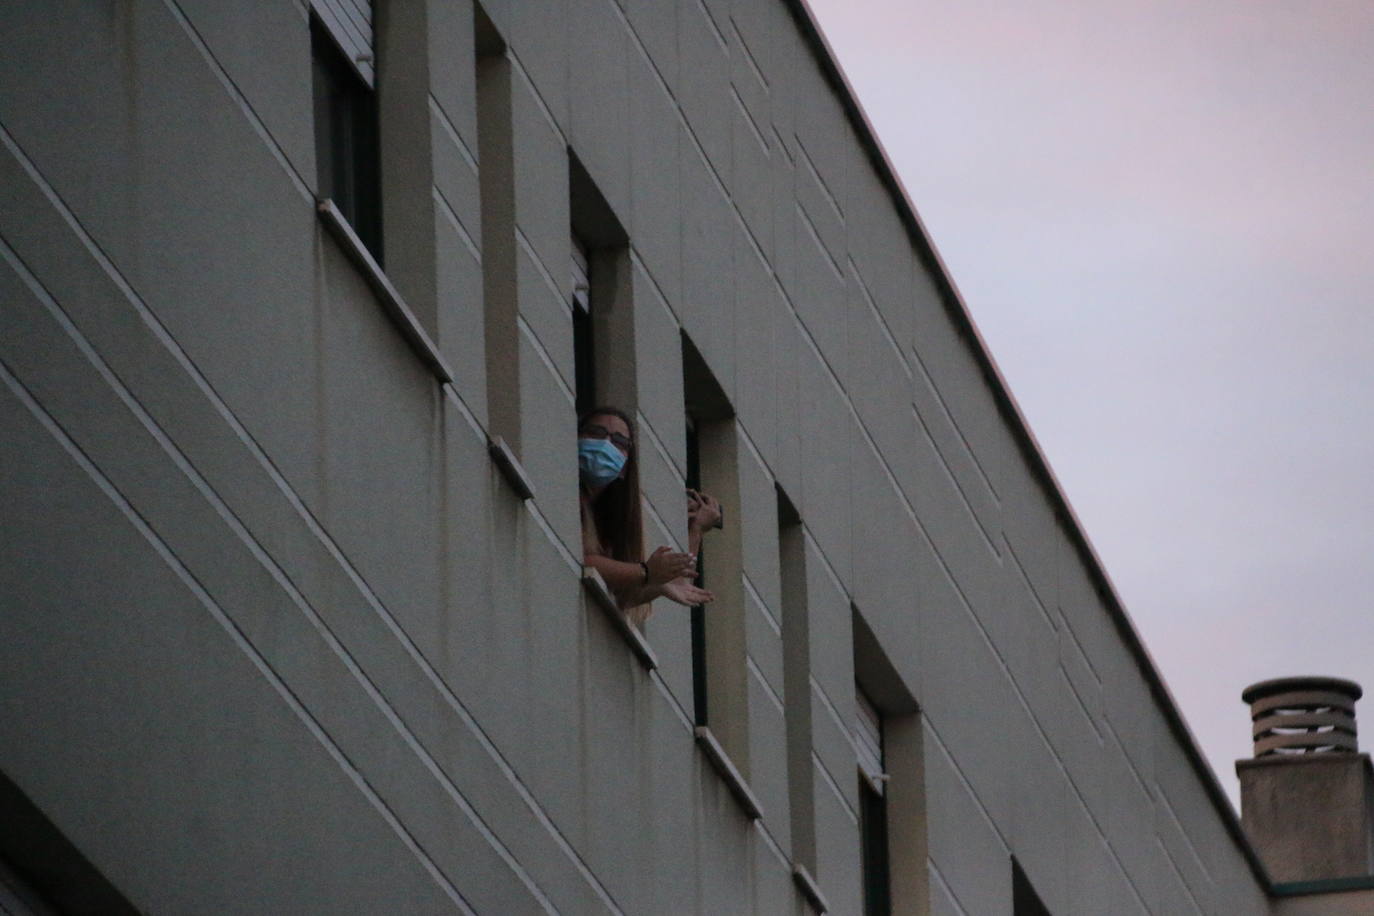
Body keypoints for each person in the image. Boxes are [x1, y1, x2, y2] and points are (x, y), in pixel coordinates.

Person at [578, 407, 718, 612]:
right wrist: (645, 572)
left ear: (625, 466)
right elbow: (584, 559)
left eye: (619, 442)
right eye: (596, 433)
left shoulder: (611, 519)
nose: (605, 444)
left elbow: (626, 595)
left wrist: (695, 530)